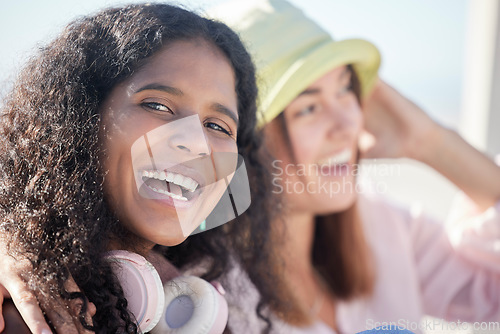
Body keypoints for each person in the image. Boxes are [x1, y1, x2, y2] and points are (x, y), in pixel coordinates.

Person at [204, 0, 500, 333]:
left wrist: (430, 142)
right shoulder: (209, 302)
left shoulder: (381, 226)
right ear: (243, 141)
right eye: (309, 108)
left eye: (346, 88)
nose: (348, 125)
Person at [0, 3, 280, 333]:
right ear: (82, 116)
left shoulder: (179, 290)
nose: (196, 143)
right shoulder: (21, 314)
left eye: (218, 126)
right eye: (158, 105)